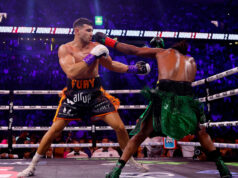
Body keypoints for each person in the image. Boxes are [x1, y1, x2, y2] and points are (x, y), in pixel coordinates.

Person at [17, 18, 150, 177]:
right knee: (55, 130)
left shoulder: (96, 47)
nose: (91, 34)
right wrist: (92, 57)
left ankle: (130, 161)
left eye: (92, 31)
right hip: (74, 95)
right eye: (87, 30)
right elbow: (72, 72)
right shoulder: (66, 49)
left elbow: (111, 64)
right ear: (77, 31)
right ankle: (32, 166)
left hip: (95, 94)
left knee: (120, 127)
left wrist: (133, 69)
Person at [94, 33, 232, 178]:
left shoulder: (162, 52)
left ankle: (116, 171)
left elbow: (133, 50)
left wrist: (108, 41)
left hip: (165, 95)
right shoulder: (191, 60)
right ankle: (222, 168)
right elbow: (184, 81)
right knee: (201, 131)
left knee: (140, 135)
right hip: (186, 97)